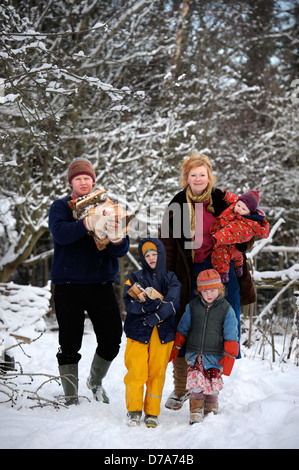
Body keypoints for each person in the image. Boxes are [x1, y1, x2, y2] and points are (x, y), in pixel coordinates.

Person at [159, 151, 256, 411]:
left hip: (221, 267)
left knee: (222, 322)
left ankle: (210, 388)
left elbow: (247, 226)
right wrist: (167, 276)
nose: (198, 178)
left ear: (209, 176)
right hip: (190, 270)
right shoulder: (178, 204)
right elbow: (168, 244)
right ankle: (183, 388)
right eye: (193, 175)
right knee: (186, 324)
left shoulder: (223, 200)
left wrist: (242, 243)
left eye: (203, 174)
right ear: (186, 178)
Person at [48, 157, 130, 405]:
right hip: (67, 284)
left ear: (94, 182)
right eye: (78, 178)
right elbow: (60, 234)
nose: (83, 182)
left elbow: (120, 250)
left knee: (112, 337)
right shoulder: (61, 207)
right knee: (69, 341)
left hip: (100, 283)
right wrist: (86, 223)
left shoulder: (108, 206)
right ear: (71, 182)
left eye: (87, 178)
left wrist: (116, 239)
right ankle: (70, 395)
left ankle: (95, 381)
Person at [123, 238, 181, 427]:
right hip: (138, 333)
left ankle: (152, 413)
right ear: (142, 258)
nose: (151, 258)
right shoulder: (134, 277)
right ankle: (133, 410)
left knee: (157, 374)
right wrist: (144, 308)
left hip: (163, 334)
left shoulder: (171, 278)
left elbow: (173, 302)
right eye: (147, 255)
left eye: (154, 254)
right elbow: (129, 301)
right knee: (136, 372)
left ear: (161, 255)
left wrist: (157, 316)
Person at [170, 269, 238, 424]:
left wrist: (230, 355)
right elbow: (183, 328)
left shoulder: (226, 309)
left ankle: (211, 409)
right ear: (199, 291)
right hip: (195, 355)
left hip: (215, 355)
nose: (209, 294)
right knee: (196, 386)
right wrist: (177, 346)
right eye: (205, 291)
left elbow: (231, 334)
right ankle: (195, 411)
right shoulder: (193, 307)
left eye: (213, 290)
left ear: (220, 289)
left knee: (212, 386)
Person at [211, 190, 270, 283]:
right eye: (238, 206)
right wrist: (225, 195)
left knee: (220, 253)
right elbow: (234, 199)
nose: (239, 209)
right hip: (235, 248)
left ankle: (223, 274)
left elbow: (231, 231)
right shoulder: (238, 207)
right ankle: (239, 267)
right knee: (238, 257)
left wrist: (218, 237)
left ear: (249, 213)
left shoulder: (245, 224)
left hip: (228, 243)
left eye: (243, 209)